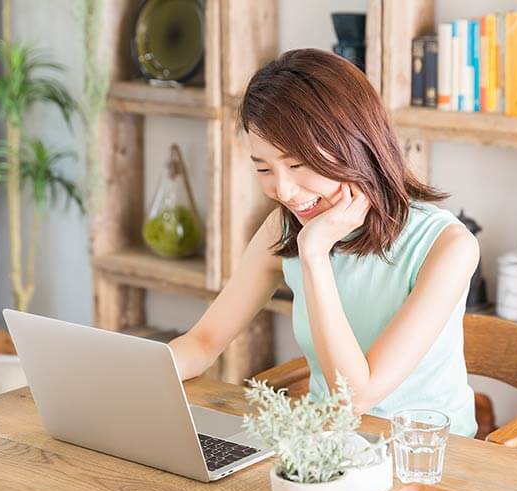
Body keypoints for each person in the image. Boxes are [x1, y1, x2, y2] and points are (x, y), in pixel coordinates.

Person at [169, 49, 480, 436]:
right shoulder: (280, 230)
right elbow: (203, 341)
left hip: (426, 459)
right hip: (321, 451)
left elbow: (355, 398)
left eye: (298, 165)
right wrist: (133, 376)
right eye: (263, 168)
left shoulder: (447, 246)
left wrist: (314, 254)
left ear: (354, 145)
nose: (282, 189)